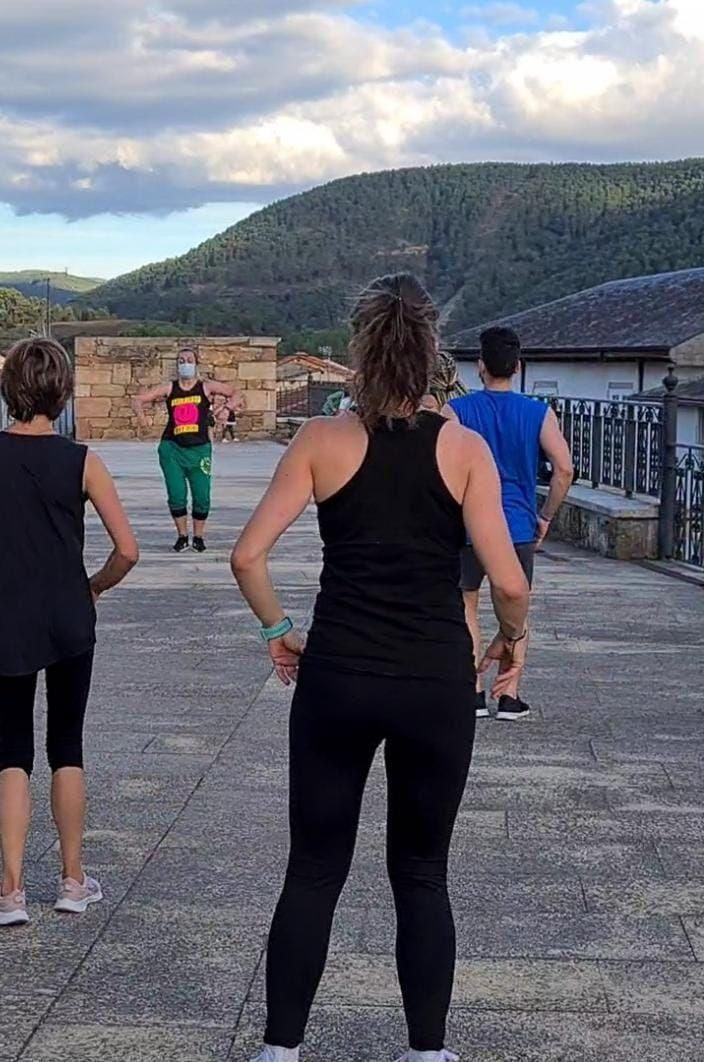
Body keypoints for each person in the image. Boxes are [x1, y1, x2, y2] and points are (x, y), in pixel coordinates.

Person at [230, 273, 531, 1062]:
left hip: (338, 675)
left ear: (360, 352)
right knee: (423, 873)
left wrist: (281, 629)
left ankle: (280, 1050)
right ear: (433, 353)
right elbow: (508, 580)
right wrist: (507, 640)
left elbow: (247, 555)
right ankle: (427, 1052)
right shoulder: (463, 449)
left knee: (315, 868)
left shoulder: (322, 442)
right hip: (435, 678)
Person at [0, 338, 139, 927]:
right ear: (62, 394)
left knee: (13, 749)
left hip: (8, 609)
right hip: (69, 613)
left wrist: (16, 567)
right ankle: (72, 878)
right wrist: (92, 587)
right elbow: (127, 550)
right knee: (68, 744)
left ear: (8, 389)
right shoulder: (84, 460)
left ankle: (9, 892)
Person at [444, 326, 573, 721]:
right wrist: (545, 516)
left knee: (466, 602)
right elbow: (564, 469)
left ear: (480, 366)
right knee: (516, 608)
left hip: (467, 526)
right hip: (517, 526)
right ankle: (510, 694)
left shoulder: (458, 411)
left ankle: (473, 692)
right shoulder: (538, 412)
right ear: (517, 367)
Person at [132, 347, 239, 552]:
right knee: (176, 494)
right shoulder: (170, 388)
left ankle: (198, 536)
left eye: (189, 359)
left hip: (199, 449)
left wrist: (227, 409)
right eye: (181, 360)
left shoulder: (205, 387)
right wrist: (142, 418)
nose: (185, 363)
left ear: (196, 363)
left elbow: (236, 393)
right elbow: (139, 399)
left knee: (202, 495)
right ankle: (182, 535)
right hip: (172, 448)